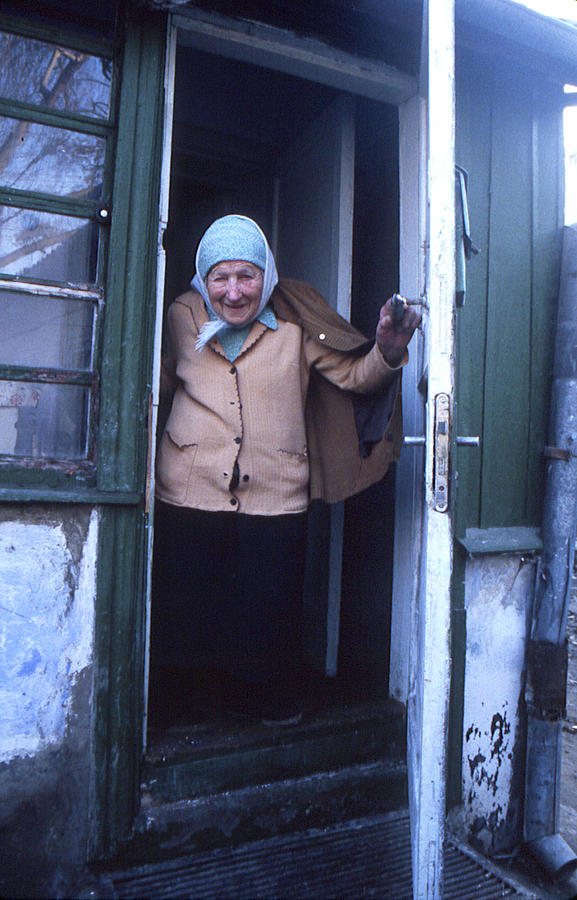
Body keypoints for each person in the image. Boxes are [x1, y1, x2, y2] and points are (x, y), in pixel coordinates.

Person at [151, 214, 420, 727]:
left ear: (267, 276)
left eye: (246, 276)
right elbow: (156, 384)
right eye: (220, 277)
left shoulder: (295, 323)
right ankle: (185, 698)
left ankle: (255, 694)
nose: (233, 292)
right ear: (201, 279)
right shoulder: (180, 315)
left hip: (275, 487)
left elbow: (357, 378)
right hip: (188, 482)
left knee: (265, 605)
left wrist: (388, 350)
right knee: (188, 601)